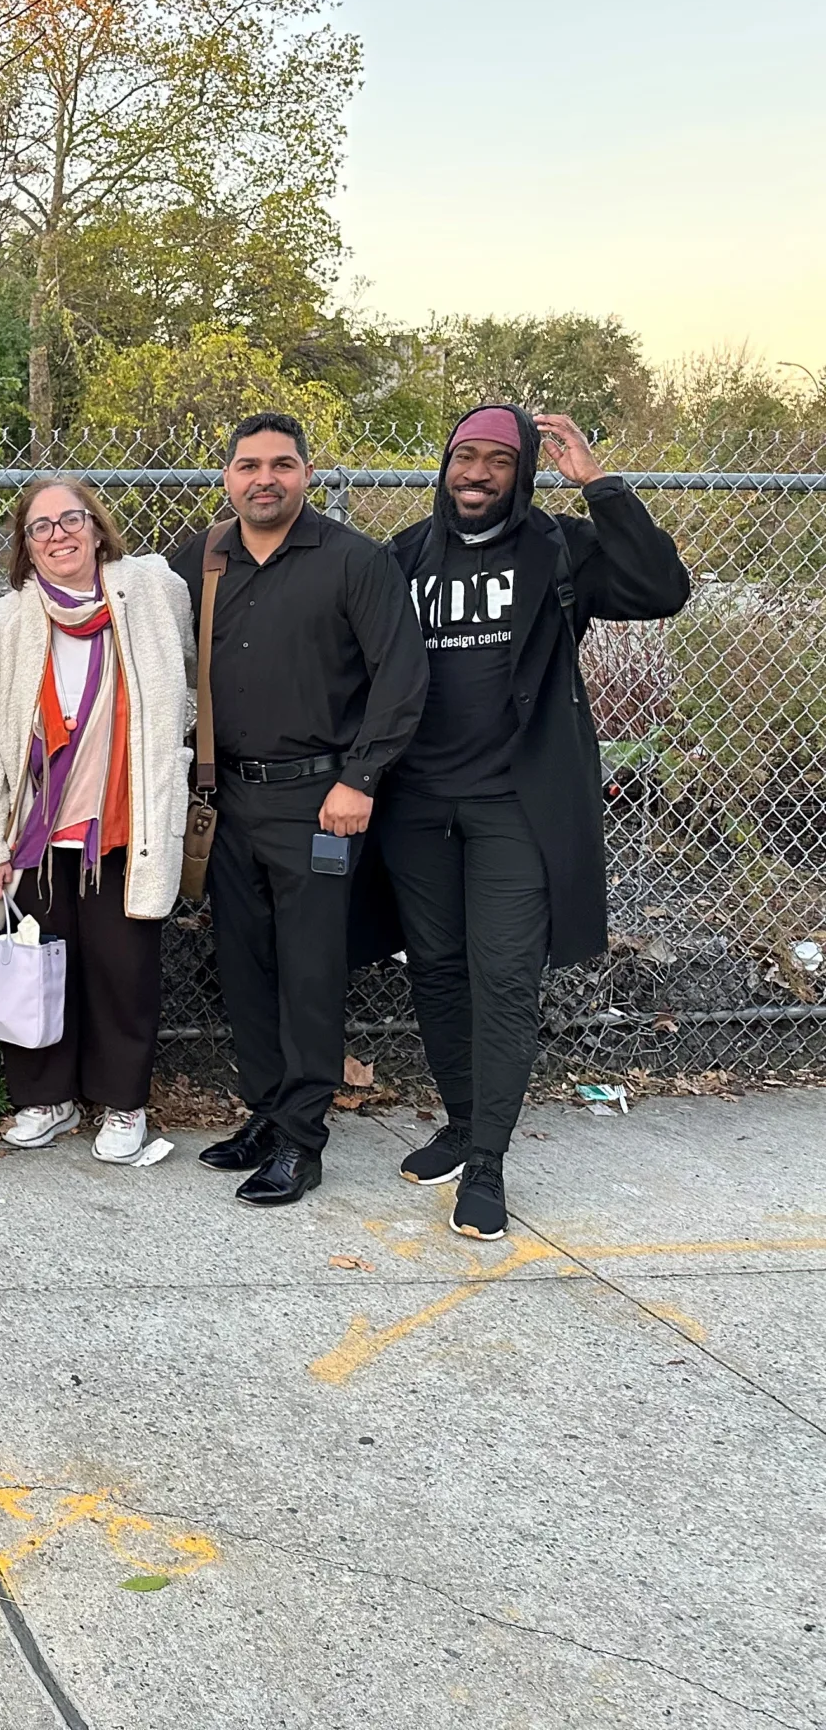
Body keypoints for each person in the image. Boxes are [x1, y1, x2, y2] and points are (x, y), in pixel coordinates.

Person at [377, 406, 689, 1238]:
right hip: (417, 804)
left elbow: (663, 590)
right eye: (463, 457)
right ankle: (461, 1121)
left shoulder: (560, 548)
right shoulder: (405, 555)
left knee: (506, 978)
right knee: (437, 969)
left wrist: (601, 488)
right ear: (445, 463)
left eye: (497, 462)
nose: (475, 474)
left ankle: (488, 1165)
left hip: (516, 803)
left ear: (524, 473)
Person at [167, 413, 426, 1209]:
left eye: (281, 464)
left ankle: (302, 1142)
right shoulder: (201, 558)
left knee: (311, 972)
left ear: (307, 475)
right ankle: (266, 1114)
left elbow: (402, 676)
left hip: (319, 803)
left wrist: (362, 778)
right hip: (227, 799)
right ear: (227, 478)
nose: (264, 479)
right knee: (243, 966)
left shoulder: (355, 561)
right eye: (248, 466)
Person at [0, 478, 193, 1164]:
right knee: (36, 973)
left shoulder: (151, 592)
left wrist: (178, 751)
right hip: (35, 839)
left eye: (72, 520)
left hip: (124, 831)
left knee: (125, 974)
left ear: (97, 528)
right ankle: (46, 1100)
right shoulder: (1, 628)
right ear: (24, 546)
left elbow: (193, 675)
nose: (59, 535)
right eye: (41, 527)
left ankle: (123, 1106)